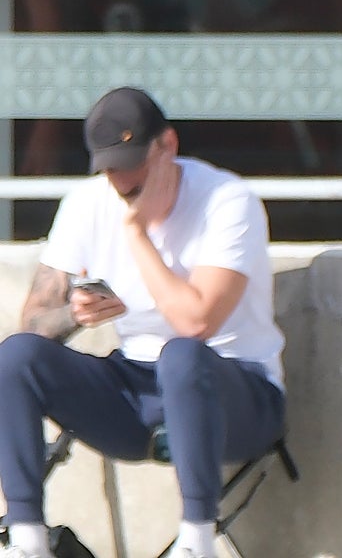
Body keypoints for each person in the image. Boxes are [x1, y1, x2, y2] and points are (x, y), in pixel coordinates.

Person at [0, 87, 285, 558]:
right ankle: (27, 538)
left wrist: (136, 233)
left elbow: (196, 323)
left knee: (182, 354)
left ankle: (197, 541)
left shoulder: (227, 201)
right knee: (15, 356)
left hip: (237, 393)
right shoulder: (87, 204)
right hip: (137, 391)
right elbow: (32, 324)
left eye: (134, 163)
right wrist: (75, 313)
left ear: (167, 145)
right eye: (110, 167)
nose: (122, 178)